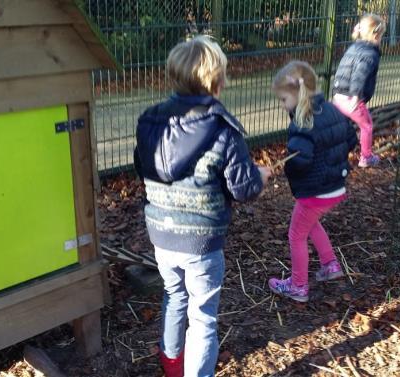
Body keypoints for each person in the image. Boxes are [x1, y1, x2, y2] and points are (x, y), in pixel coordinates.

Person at [133, 35, 271, 377]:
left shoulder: (150, 121)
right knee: (203, 314)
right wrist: (261, 176)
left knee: (173, 295)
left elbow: (142, 168)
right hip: (201, 242)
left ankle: (171, 365)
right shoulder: (223, 129)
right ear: (217, 80)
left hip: (161, 234)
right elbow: (243, 189)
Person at [268, 61, 358, 302]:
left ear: (297, 94)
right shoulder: (332, 109)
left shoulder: (302, 122)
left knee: (296, 235)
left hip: (316, 191)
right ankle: (330, 264)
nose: (283, 105)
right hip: (335, 186)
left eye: (284, 99)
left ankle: (298, 285)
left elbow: (301, 160)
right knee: (311, 223)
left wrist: (288, 167)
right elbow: (351, 139)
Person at [332, 13, 386, 168]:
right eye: (381, 36)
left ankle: (335, 155)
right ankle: (366, 157)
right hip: (352, 98)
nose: (381, 39)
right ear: (376, 35)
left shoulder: (355, 47)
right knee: (366, 125)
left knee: (340, 127)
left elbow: (343, 69)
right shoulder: (369, 54)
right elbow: (359, 75)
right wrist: (356, 95)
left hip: (338, 95)